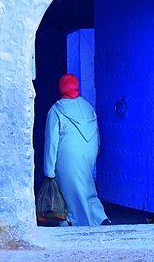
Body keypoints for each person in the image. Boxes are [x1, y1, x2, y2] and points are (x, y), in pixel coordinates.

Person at [43, 74, 108, 226]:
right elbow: (96, 132)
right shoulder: (87, 106)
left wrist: (49, 170)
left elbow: (51, 141)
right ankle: (97, 217)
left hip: (67, 157)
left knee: (69, 194)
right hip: (87, 154)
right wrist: (95, 153)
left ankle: (80, 224)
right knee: (85, 186)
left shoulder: (57, 109)